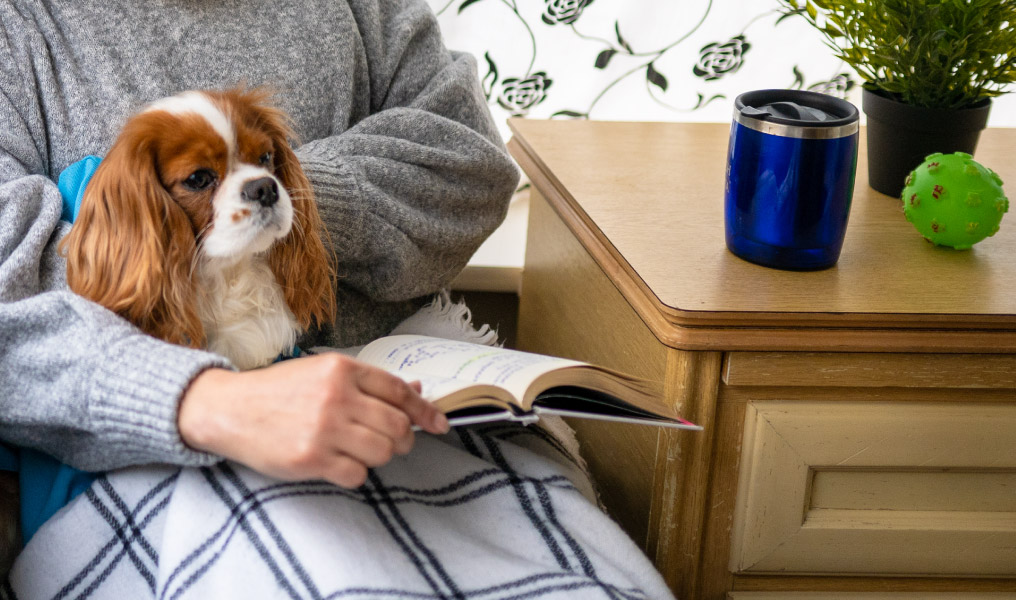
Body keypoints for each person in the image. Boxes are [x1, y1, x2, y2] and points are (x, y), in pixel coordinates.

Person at [0, 1, 676, 597]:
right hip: (142, 466)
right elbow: (10, 298)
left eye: (263, 163)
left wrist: (285, 202)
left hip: (418, 415)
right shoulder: (19, 27)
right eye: (202, 176)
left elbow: (467, 167)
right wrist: (202, 401)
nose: (254, 183)